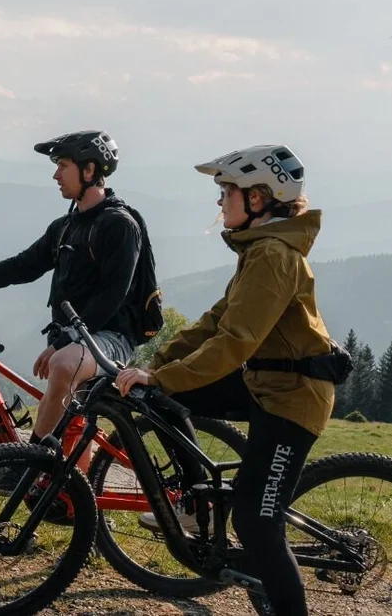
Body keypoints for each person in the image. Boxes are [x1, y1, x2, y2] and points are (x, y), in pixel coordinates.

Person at [113, 144, 340, 616]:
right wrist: (153, 368)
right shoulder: (258, 251)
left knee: (257, 523)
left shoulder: (274, 256)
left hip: (292, 398)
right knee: (158, 400)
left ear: (258, 197)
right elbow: (213, 323)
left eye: (225, 192)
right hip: (264, 382)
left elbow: (235, 341)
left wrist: (164, 376)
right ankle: (196, 508)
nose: (219, 204)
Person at [0, 130, 146, 474]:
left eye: (63, 165)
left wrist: (66, 341)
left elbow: (113, 296)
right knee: (73, 423)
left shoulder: (119, 225)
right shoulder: (65, 227)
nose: (55, 175)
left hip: (110, 340)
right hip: (76, 341)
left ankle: (29, 468)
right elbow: (23, 266)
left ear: (89, 170)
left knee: (62, 365)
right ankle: (71, 499)